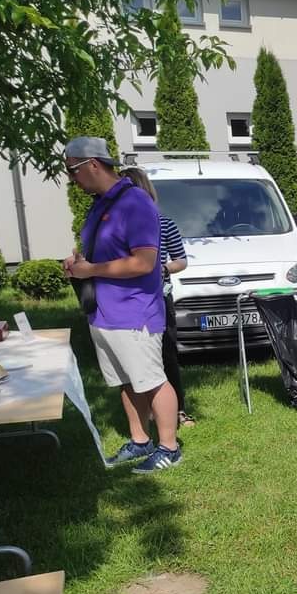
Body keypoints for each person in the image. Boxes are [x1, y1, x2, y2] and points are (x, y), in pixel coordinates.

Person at [62, 136, 182, 473]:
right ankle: (140, 440)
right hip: (104, 312)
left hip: (134, 312)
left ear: (93, 165)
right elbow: (105, 252)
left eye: (73, 171)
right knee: (126, 382)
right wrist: (76, 261)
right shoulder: (100, 203)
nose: (72, 179)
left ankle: (169, 447)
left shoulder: (136, 203)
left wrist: (91, 269)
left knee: (152, 380)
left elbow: (145, 263)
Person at [119, 167, 195, 428]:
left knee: (166, 356)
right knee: (135, 358)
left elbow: (181, 260)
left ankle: (178, 411)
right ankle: (146, 413)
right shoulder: (119, 225)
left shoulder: (163, 222)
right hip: (127, 301)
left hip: (159, 298)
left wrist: (162, 268)